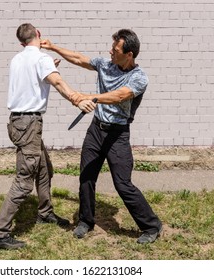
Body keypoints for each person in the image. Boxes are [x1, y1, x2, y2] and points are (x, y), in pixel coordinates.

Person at [40, 28, 163, 244]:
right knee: (86, 176)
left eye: (115, 50)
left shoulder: (139, 78)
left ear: (129, 54)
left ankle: (151, 226)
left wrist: (87, 97)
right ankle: (86, 221)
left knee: (123, 184)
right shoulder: (106, 64)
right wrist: (53, 47)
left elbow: (119, 96)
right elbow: (79, 59)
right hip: (96, 130)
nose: (111, 52)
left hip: (118, 135)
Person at [0, 23, 96, 250]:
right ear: (38, 35)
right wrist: (78, 99)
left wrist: (49, 67)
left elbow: (30, 81)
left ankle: (45, 213)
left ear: (21, 42)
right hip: (29, 124)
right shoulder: (41, 59)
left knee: (44, 168)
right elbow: (57, 82)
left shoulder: (17, 59)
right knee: (24, 181)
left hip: (19, 122)